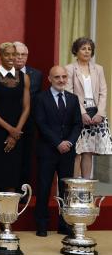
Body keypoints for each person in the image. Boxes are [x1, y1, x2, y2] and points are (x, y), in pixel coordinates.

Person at [0, 42, 30, 236]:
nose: (12, 57)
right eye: (8, 54)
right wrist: (9, 129)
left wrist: (16, 131)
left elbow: (26, 107)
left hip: (17, 134)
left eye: (15, 54)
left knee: (12, 178)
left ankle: (7, 219)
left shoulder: (24, 78)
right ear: (0, 55)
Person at [32, 66, 82, 237]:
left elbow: (77, 124)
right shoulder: (40, 98)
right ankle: (42, 224)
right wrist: (57, 142)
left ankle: (64, 224)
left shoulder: (73, 99)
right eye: (57, 77)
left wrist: (69, 142)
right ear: (49, 79)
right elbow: (41, 123)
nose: (61, 80)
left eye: (64, 77)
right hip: (47, 149)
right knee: (44, 187)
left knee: (65, 189)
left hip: (67, 151)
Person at [65, 37, 112, 178]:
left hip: (96, 112)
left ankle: (86, 187)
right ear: (76, 51)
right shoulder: (69, 69)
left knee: (88, 151)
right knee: (77, 151)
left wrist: (101, 113)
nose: (86, 51)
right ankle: (73, 188)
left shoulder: (98, 69)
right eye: (83, 48)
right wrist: (82, 113)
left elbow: (103, 92)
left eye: (89, 49)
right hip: (77, 112)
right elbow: (69, 93)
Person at [13, 41, 42, 187]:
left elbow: (37, 100)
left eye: (23, 54)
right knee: (9, 160)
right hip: (7, 123)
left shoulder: (36, 74)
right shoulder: (1, 74)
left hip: (29, 124)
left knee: (26, 159)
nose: (20, 57)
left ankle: (22, 193)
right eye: (17, 54)